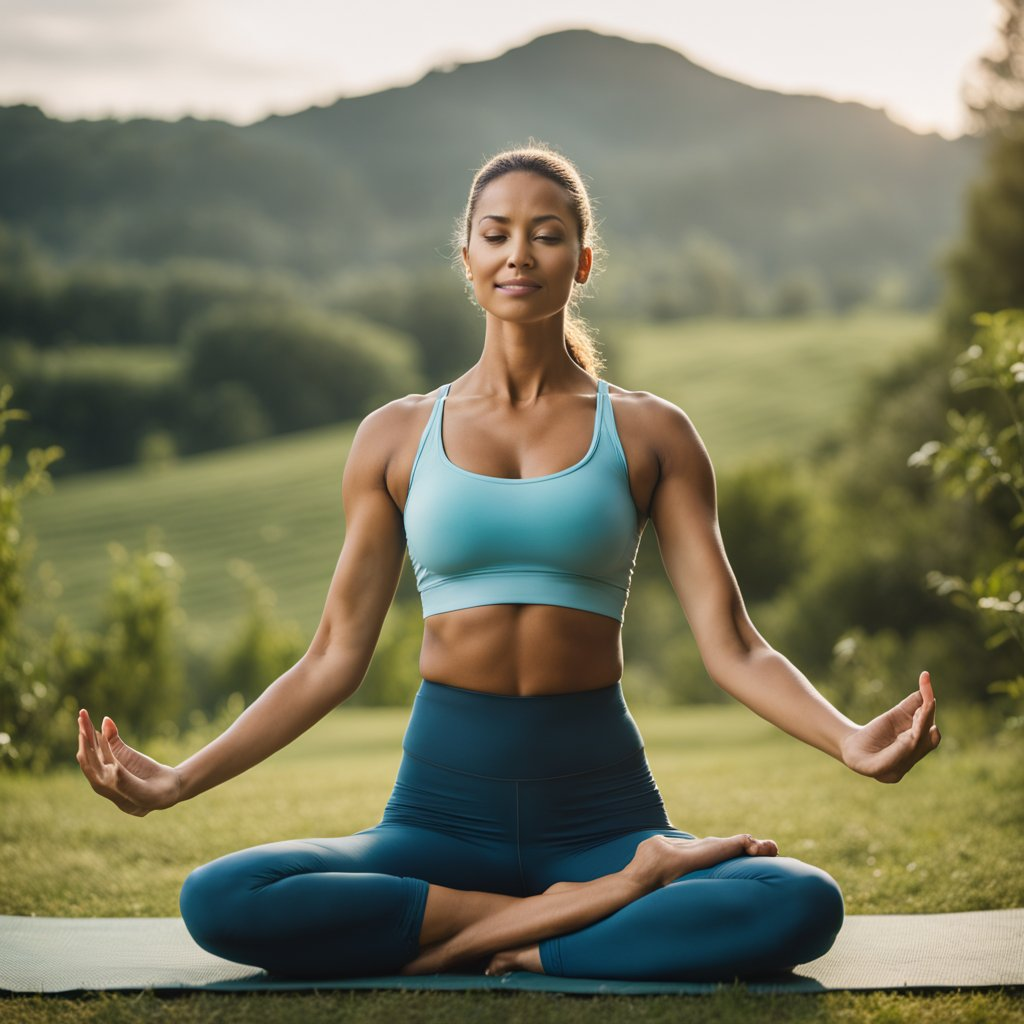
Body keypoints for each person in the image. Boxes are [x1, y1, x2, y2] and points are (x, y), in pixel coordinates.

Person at [76, 142, 941, 982]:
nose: (519, 253)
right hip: (439, 815)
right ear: (467, 257)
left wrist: (850, 739)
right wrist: (183, 779)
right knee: (221, 897)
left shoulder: (651, 432)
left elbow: (734, 645)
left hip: (603, 809)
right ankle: (601, 906)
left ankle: (511, 933)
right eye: (496, 233)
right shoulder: (395, 435)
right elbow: (333, 657)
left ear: (584, 261)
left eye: (547, 232)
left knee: (798, 902)